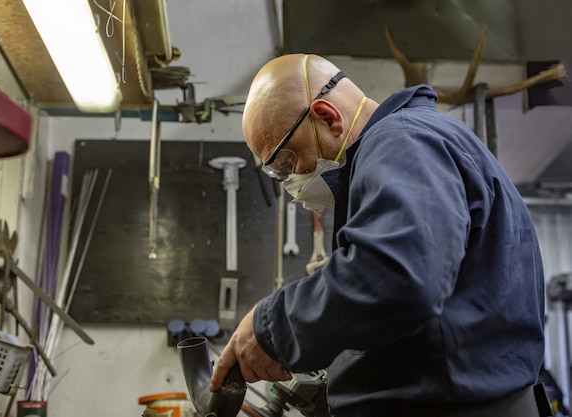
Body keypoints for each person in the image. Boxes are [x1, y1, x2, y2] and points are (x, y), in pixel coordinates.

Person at [209, 53, 546, 417]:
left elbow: (398, 276)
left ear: (327, 117)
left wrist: (269, 327)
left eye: (286, 164)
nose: (291, 182)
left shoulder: (402, 142)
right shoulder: (410, 142)